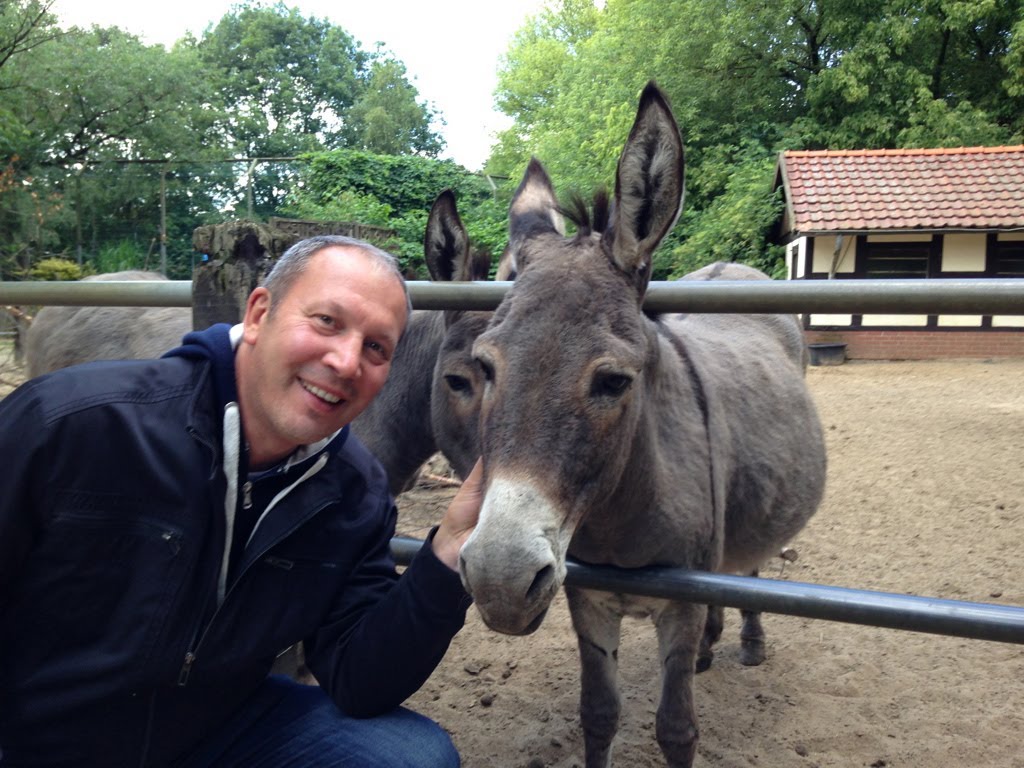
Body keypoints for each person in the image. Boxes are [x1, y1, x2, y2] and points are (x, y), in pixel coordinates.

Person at [0, 235, 484, 768]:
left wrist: (442, 561)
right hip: (45, 732)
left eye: (376, 347)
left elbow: (358, 679)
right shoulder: (67, 424)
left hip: (215, 723)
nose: (347, 361)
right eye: (326, 321)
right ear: (258, 314)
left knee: (412, 756)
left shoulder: (356, 491)